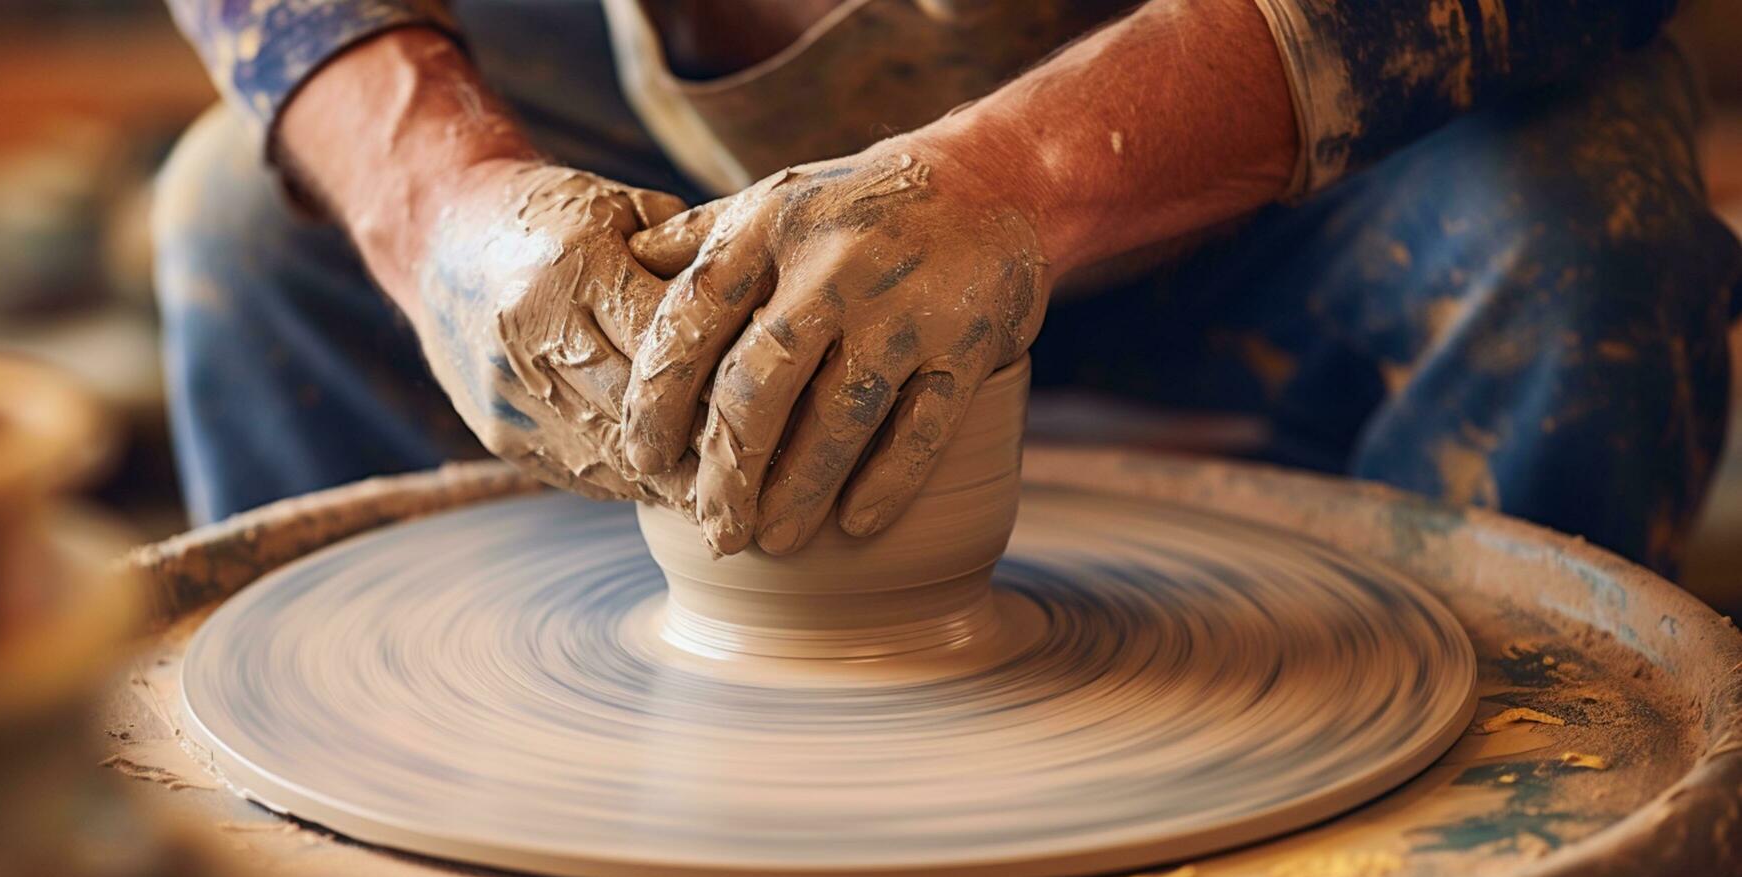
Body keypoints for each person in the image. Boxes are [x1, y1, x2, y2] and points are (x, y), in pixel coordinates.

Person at [156, 0, 1741, 574]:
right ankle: (422, 852)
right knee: (250, 223)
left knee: (1576, 227)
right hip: (632, 84)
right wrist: (439, 196)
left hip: (1262, 100)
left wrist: (1019, 178)